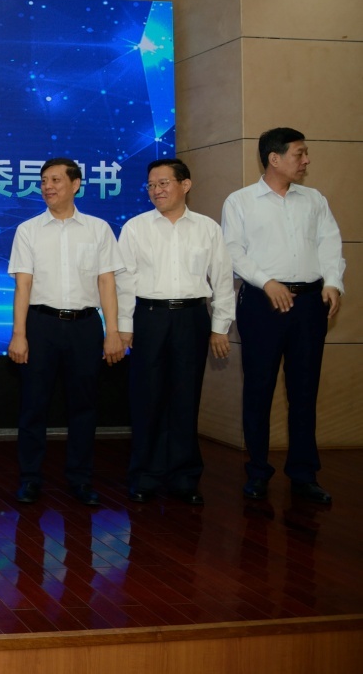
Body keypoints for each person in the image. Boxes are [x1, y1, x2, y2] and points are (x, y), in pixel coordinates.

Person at [221, 128, 345, 504]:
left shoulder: (314, 199)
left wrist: (333, 282)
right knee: (259, 389)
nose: (306, 161)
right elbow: (233, 251)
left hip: (309, 304)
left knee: (304, 391)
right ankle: (258, 472)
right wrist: (266, 282)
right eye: (299, 154)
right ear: (274, 158)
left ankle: (304, 474)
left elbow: (330, 242)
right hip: (263, 304)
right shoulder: (241, 201)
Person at [116, 158, 234, 505]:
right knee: (147, 398)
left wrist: (220, 327)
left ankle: (184, 478)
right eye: (151, 185)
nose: (156, 190)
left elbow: (222, 279)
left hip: (192, 317)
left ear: (185, 185)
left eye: (163, 183)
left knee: (186, 397)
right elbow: (125, 282)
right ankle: (145, 476)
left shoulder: (207, 228)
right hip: (149, 317)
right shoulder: (135, 228)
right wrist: (124, 327)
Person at [7, 158, 125, 506]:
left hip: (86, 326)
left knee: (84, 406)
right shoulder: (28, 230)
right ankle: (30, 478)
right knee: (33, 405)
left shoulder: (98, 229)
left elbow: (107, 283)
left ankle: (80, 479)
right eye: (44, 180)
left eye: (56, 180)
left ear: (75, 184)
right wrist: (19, 334)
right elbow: (23, 286)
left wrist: (113, 331)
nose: (48, 186)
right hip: (40, 324)